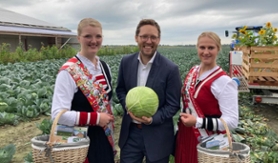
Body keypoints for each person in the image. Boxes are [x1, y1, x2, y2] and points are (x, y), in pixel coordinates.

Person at [116, 19, 182, 163]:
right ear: (136, 38)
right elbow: (120, 90)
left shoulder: (170, 69)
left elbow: (173, 105)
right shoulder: (126, 62)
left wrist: (153, 119)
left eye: (153, 37)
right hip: (131, 134)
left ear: (159, 39)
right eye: (144, 36)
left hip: (158, 136)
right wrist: (128, 105)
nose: (148, 41)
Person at [51, 18, 115, 163]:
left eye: (98, 36)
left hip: (103, 138)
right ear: (78, 38)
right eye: (88, 36)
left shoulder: (105, 67)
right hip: (77, 142)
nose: (94, 40)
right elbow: (57, 115)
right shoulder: (68, 72)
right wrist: (97, 118)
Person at [174, 31, 239, 163]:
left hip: (209, 140)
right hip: (186, 136)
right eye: (202, 47)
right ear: (197, 48)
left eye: (211, 48)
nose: (206, 52)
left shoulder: (224, 81)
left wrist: (198, 122)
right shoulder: (193, 71)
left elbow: (232, 121)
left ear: (218, 49)